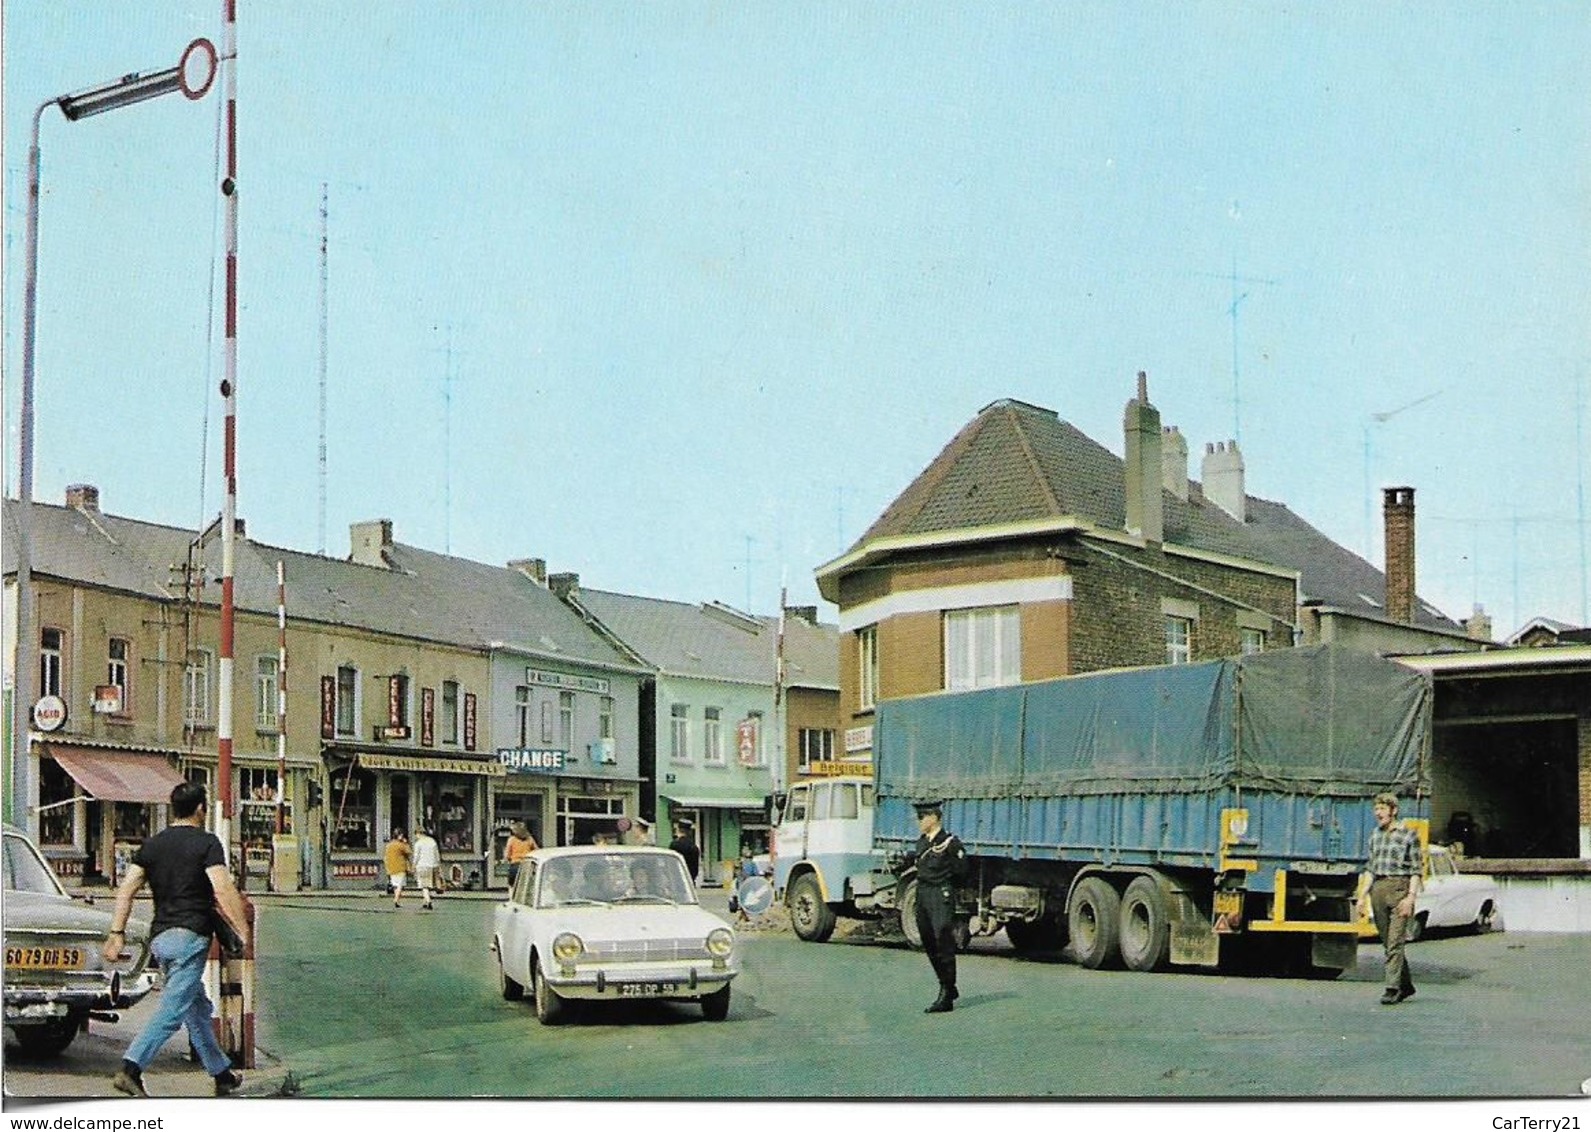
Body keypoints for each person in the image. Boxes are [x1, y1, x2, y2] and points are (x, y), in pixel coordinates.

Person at [102, 781, 250, 1098]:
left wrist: (117, 933)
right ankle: (130, 1068)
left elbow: (126, 890)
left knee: (196, 1007)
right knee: (171, 1011)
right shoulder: (207, 843)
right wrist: (242, 928)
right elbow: (223, 889)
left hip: (161, 939)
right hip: (191, 937)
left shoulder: (152, 845)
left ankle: (221, 1073)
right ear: (201, 809)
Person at [900, 799, 968, 1014]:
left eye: (922, 817)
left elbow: (962, 872)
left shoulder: (950, 843)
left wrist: (946, 888)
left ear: (934, 817)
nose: (918, 821)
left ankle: (946, 992)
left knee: (942, 940)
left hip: (940, 895)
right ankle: (948, 984)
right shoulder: (922, 842)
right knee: (928, 941)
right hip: (922, 895)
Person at [1359, 791, 1423, 1005]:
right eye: (1376, 809)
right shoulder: (1375, 836)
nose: (1378, 814)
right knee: (1388, 942)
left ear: (1393, 811)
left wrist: (1410, 898)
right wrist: (1362, 897)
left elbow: (1416, 870)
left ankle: (1392, 987)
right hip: (1378, 888)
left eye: (1382, 809)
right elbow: (1370, 868)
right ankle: (1407, 986)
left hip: (1399, 888)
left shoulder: (1408, 835)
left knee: (1395, 940)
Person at [411, 825, 441, 910]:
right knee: (429, 884)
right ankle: (424, 902)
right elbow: (437, 854)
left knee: (424, 886)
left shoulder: (418, 843)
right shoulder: (432, 841)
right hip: (433, 865)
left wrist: (413, 866)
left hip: (422, 866)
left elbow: (416, 856)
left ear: (418, 833)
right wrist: (438, 865)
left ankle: (428, 901)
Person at [503, 821, 537, 889]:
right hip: (527, 864)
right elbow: (537, 851)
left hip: (515, 864)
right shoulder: (530, 839)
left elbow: (507, 855)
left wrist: (508, 859)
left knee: (512, 885)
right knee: (526, 885)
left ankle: (512, 898)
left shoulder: (512, 839)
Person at [384, 828, 411, 909]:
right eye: (401, 835)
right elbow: (409, 852)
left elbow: (385, 856)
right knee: (400, 885)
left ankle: (397, 900)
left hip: (391, 867)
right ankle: (396, 899)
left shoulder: (389, 845)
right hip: (400, 867)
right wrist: (406, 843)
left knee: (395, 885)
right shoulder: (401, 845)